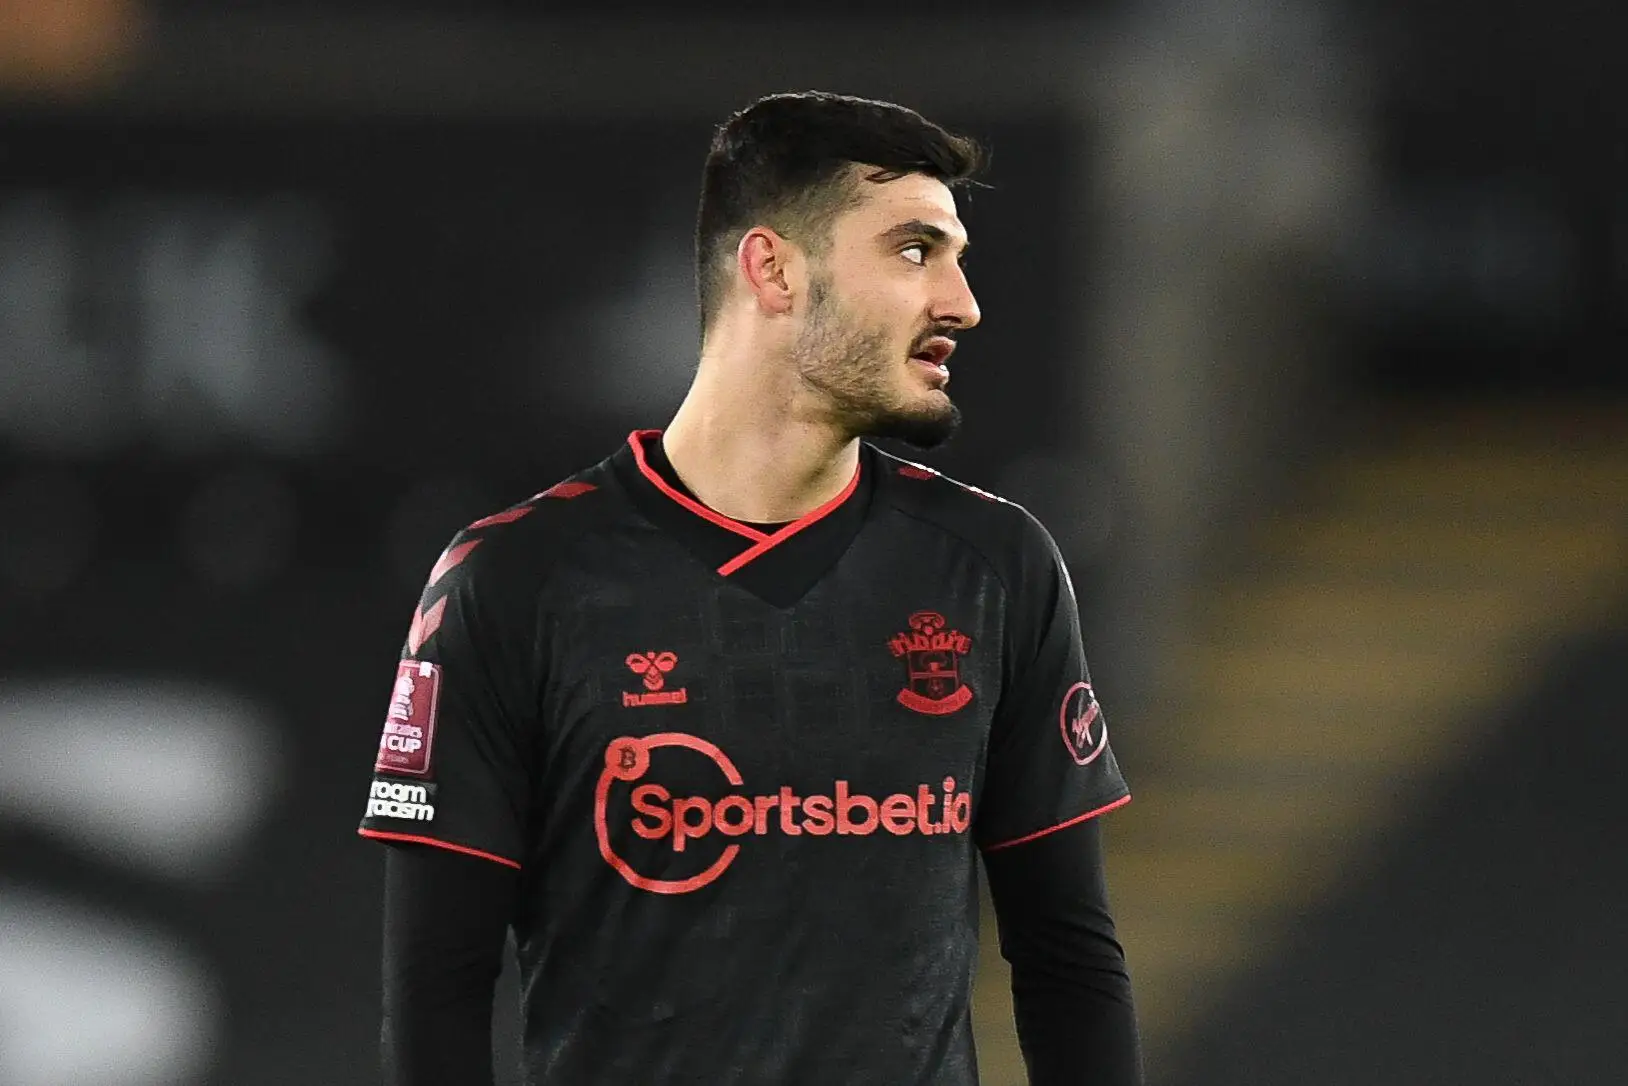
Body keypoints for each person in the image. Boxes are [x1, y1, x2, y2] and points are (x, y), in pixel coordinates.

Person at [359, 90, 1142, 1086]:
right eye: (913, 251)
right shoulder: (513, 580)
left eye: (955, 256)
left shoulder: (995, 567)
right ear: (771, 268)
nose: (960, 302)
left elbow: (1068, 959)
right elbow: (436, 995)